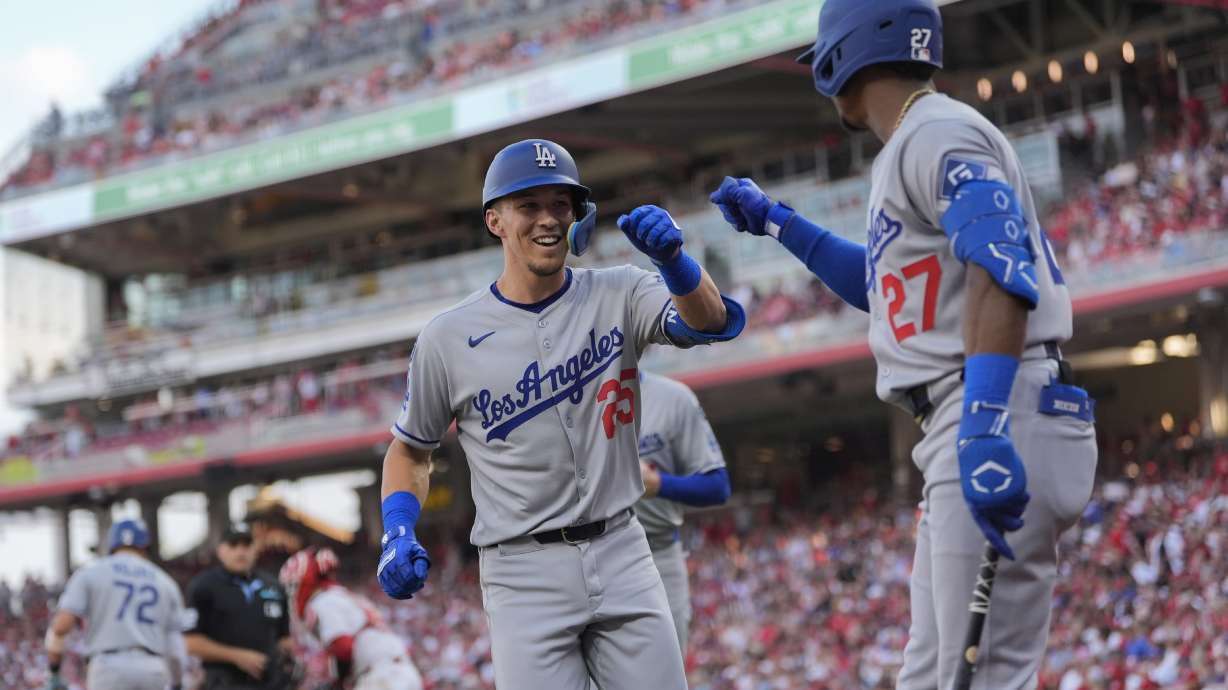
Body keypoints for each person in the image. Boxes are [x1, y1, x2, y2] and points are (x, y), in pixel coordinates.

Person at [708, 2, 1098, 688]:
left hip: (994, 405)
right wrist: (779, 225)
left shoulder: (936, 132)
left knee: (972, 678)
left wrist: (982, 424)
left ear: (841, 57)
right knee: (929, 675)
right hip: (976, 408)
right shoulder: (918, 138)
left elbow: (998, 265)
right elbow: (889, 286)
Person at [376, 138, 746, 690]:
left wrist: (675, 262)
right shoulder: (447, 337)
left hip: (623, 547)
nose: (548, 219)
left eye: (561, 205)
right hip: (522, 571)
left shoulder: (621, 289)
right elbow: (411, 450)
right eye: (529, 206)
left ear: (579, 216)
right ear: (495, 221)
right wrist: (397, 528)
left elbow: (710, 320)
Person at [635, 370, 731, 653]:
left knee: (666, 673)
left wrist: (659, 484)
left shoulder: (671, 397)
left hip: (657, 551)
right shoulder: (562, 402)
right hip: (586, 551)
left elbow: (717, 485)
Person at [44, 518, 187, 690]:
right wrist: (177, 683)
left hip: (108, 666)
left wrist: (54, 671)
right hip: (152, 668)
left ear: (112, 545)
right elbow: (176, 650)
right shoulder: (165, 582)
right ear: (144, 546)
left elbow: (61, 627)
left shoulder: (91, 572)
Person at [279, 547, 424, 690]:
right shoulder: (341, 595)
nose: (291, 592)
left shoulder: (323, 600)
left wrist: (337, 681)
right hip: (398, 672)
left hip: (381, 675)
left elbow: (343, 647)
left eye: (293, 585)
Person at [184, 523, 297, 690]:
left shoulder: (273, 586)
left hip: (271, 682)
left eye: (247, 545)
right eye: (233, 545)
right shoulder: (203, 586)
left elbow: (284, 638)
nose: (241, 552)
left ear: (255, 549)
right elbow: (190, 642)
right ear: (220, 550)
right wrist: (237, 656)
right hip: (224, 682)